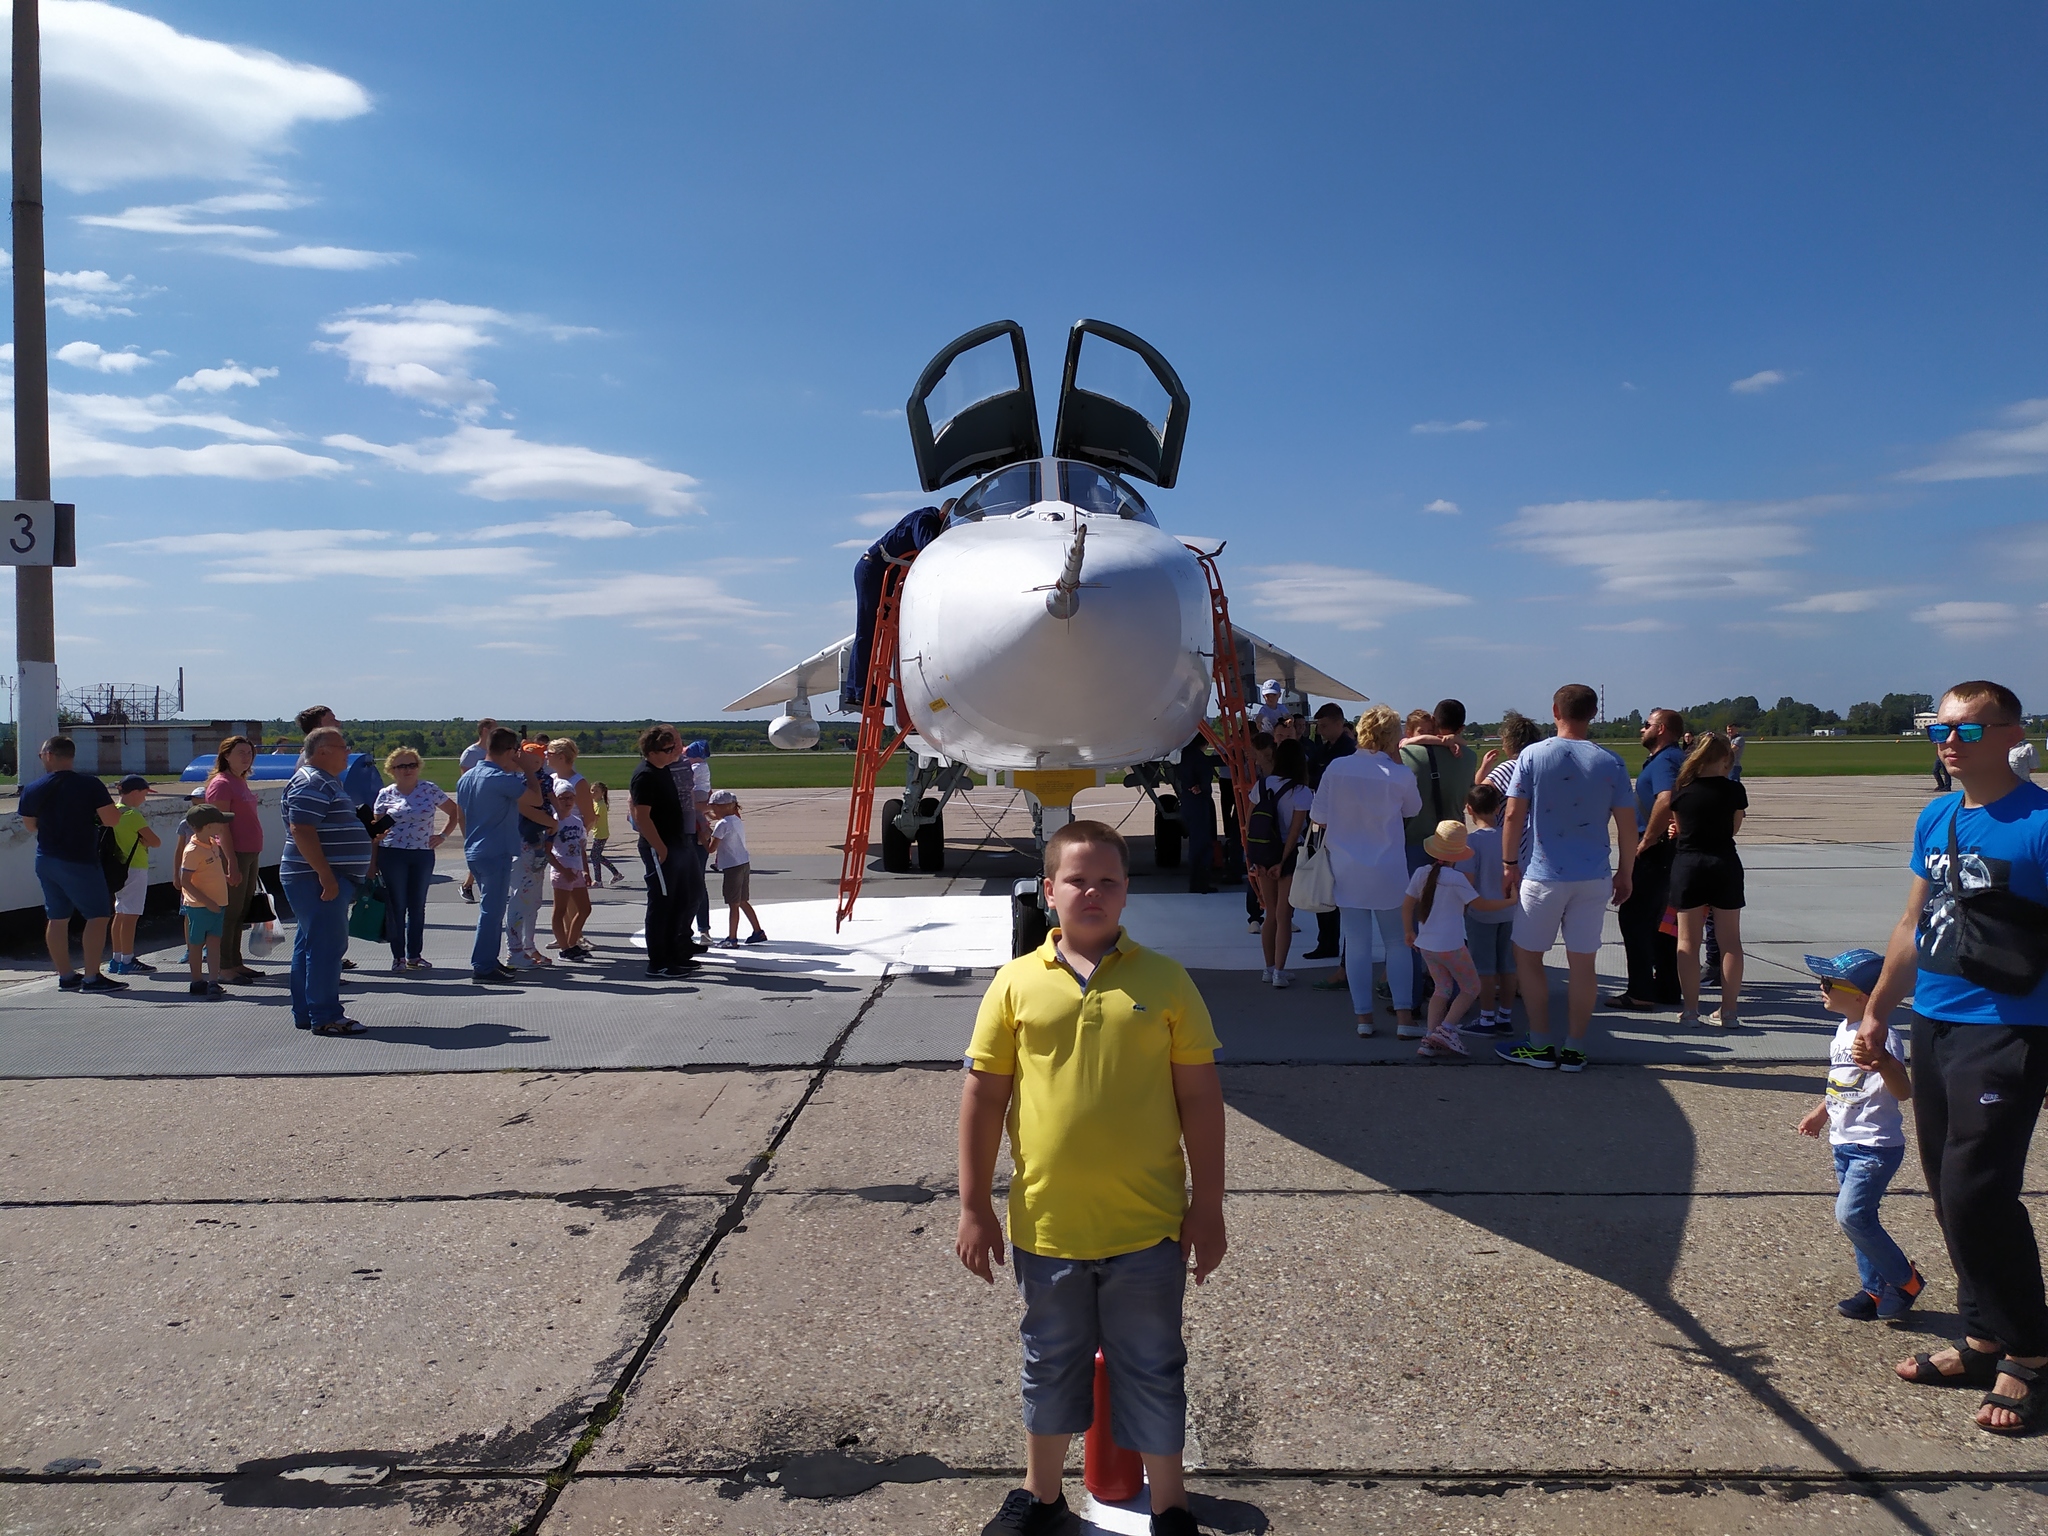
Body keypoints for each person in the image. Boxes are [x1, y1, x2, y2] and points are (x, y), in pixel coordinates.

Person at [956, 819, 1225, 1536]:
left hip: (1148, 1226)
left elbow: (1200, 1097)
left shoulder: (1165, 980)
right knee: (1049, 1365)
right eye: (1077, 879)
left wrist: (1210, 1205)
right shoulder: (1015, 985)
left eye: (1108, 880)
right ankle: (1042, 1496)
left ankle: (1170, 1507)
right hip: (1050, 1225)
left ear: (1127, 892)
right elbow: (984, 1098)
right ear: (1049, 892)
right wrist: (975, 1206)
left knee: (1154, 1364)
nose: (1092, 892)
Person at [1857, 679, 2048, 1434]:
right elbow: (1910, 924)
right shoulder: (1936, 815)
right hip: (1935, 1020)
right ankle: (1980, 1336)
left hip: (2012, 1027)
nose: (1947, 742)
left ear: (2011, 733)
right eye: (1940, 730)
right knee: (1945, 1189)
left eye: (1967, 730)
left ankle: (2030, 1355)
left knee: (1978, 1190)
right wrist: (1877, 1011)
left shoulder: (2039, 823)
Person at [1498, 684, 1637, 1073]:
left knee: (1528, 958)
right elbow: (1628, 828)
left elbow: (1512, 815)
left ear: (1555, 709)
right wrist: (1625, 871)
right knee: (1583, 964)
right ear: (1593, 714)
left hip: (1543, 875)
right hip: (1593, 877)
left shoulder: (1533, 755)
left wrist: (1509, 863)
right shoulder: (1611, 762)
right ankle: (1575, 1047)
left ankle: (1540, 1042)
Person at [1796, 947, 1923, 1321]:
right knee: (1861, 1220)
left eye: (1829, 982)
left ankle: (1905, 1280)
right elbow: (1842, 1083)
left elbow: (1903, 1090)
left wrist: (1883, 1060)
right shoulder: (1841, 1032)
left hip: (1875, 1145)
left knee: (1851, 1216)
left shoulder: (1884, 1035)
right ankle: (1876, 1290)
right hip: (1844, 1141)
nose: (1820, 987)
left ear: (1862, 997)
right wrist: (1821, 1113)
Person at [1310, 704, 1422, 1038]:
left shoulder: (1337, 767)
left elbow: (1319, 816)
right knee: (1398, 943)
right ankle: (1404, 1019)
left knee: (1356, 944)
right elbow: (1413, 809)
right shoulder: (1400, 774)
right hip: (1388, 868)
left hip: (1346, 867)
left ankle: (1364, 1019)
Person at [1647, 731, 1748, 1027]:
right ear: (1725, 759)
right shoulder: (1734, 790)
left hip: (1689, 864)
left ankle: (1690, 1010)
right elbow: (1733, 829)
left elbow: (1677, 827)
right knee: (1730, 941)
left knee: (1687, 942)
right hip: (1724, 863)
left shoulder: (1683, 790)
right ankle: (1728, 1011)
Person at [281, 727, 373, 1035]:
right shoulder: (313, 781)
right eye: (342, 746)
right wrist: (325, 874)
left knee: (310, 944)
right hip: (316, 878)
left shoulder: (325, 781)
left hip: (320, 876)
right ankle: (326, 1015)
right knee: (326, 947)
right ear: (322, 751)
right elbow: (302, 829)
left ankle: (308, 1012)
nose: (348, 751)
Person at [19, 734, 125, 991]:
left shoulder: (33, 788)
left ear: (49, 755)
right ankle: (91, 977)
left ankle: (66, 976)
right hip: (79, 860)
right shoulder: (89, 785)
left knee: (57, 917)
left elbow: (30, 826)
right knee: (98, 916)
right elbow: (112, 820)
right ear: (70, 756)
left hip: (46, 858)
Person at [1403, 819, 1516, 1057]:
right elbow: (1481, 905)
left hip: (1427, 946)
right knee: (1471, 987)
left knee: (1441, 989)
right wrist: (1511, 901)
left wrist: (1408, 931)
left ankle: (1429, 1040)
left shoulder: (1422, 873)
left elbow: (1407, 904)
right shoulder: (1456, 879)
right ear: (1459, 852)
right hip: (1452, 947)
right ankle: (1445, 1029)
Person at [1609, 708, 1687, 1013]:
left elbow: (1666, 798)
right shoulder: (1669, 758)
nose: (1642, 729)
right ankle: (1667, 987)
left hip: (1655, 852)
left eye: (1647, 724)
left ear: (1662, 728)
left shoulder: (1666, 760)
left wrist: (1648, 839)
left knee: (1635, 918)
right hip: (1668, 851)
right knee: (1660, 922)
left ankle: (1640, 991)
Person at [1400, 699, 1477, 1002]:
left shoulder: (1408, 753)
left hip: (1415, 842)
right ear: (1461, 726)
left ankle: (1412, 994)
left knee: (1413, 924)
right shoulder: (1468, 756)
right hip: (1452, 845)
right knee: (1451, 921)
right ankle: (1453, 991)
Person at [457, 726, 545, 984]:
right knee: (492, 911)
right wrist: (527, 768)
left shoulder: (467, 777)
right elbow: (536, 799)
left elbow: (463, 814)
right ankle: (483, 965)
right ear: (509, 750)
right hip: (496, 850)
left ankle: (488, 959)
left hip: (476, 849)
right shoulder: (500, 779)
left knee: (491, 909)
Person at [372, 748, 460, 972]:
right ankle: (398, 956)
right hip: (393, 853)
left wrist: (442, 835)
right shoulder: (386, 794)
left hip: (421, 853)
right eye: (402, 766)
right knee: (397, 905)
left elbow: (455, 812)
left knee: (417, 905)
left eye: (411, 765)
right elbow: (375, 831)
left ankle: (414, 955)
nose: (407, 770)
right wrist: (372, 863)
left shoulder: (429, 790)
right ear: (392, 770)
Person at [631, 727, 702, 978]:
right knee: (661, 904)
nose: (673, 752)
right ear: (652, 752)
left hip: (675, 843)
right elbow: (641, 816)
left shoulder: (663, 771)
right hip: (659, 848)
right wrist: (659, 848)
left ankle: (674, 954)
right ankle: (658, 961)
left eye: (674, 748)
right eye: (667, 750)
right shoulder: (646, 775)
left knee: (679, 901)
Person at [1249, 738, 1313, 988]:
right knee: (1284, 915)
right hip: (1288, 855)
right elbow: (1297, 829)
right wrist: (1283, 861)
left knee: (1269, 914)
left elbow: (1250, 822)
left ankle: (1268, 967)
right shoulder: (1301, 792)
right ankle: (1280, 971)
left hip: (1263, 853)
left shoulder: (1262, 785)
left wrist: (1255, 858)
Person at [202, 737, 266, 981]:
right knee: (229, 912)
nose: (246, 757)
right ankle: (224, 965)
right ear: (226, 755)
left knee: (241, 911)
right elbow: (221, 827)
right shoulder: (222, 784)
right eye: (240, 752)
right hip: (234, 853)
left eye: (249, 752)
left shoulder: (240, 781)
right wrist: (230, 861)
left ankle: (235, 960)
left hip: (250, 851)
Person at [1460, 782, 1517, 1035]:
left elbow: (1467, 882)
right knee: (1507, 965)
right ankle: (1505, 1015)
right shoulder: (1509, 837)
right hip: (1510, 911)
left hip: (1481, 913)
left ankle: (1486, 1018)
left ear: (1469, 809)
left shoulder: (1471, 842)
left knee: (1484, 968)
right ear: (1497, 807)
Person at [1301, 703, 1357, 960]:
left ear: (1338, 723)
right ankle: (1327, 942)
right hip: (1324, 827)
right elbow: (1311, 778)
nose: (1321, 730)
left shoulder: (1350, 752)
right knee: (1323, 885)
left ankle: (1346, 948)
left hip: (1344, 827)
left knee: (1346, 892)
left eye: (1324, 725)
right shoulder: (1323, 751)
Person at [504, 740, 558, 969]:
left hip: (536, 842)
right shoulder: (513, 781)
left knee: (533, 900)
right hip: (519, 844)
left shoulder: (539, 779)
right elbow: (525, 806)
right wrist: (550, 822)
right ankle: (514, 950)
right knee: (520, 897)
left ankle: (528, 945)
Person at [105, 775, 161, 978]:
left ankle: (117, 957)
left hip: (118, 868)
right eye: (144, 794)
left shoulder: (111, 813)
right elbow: (156, 841)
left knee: (120, 913)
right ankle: (128, 959)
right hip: (135, 867)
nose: (145, 799)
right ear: (135, 792)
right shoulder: (132, 815)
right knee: (131, 916)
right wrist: (145, 842)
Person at [179, 804, 234, 999]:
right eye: (220, 823)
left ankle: (213, 981)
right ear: (209, 826)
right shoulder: (192, 850)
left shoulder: (212, 843)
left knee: (214, 941)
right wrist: (207, 901)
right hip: (200, 906)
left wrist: (223, 878)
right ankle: (197, 980)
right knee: (196, 943)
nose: (223, 826)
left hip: (218, 902)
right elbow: (185, 881)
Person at [708, 789, 766, 947]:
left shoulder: (722, 825)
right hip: (743, 862)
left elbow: (711, 848)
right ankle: (758, 931)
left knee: (733, 903)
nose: (713, 810)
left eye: (714, 807)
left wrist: (703, 834)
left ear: (722, 807)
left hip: (731, 866)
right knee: (743, 900)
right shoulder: (736, 819)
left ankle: (732, 938)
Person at [1170, 734, 1218, 894]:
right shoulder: (1199, 758)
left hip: (1187, 801)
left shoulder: (1183, 756)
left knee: (1196, 843)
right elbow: (1205, 778)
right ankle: (1200, 883)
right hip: (1198, 803)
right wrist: (1202, 787)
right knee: (1201, 844)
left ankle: (1196, 881)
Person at [548, 789, 592, 959]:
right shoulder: (554, 821)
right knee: (560, 910)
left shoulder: (577, 821)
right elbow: (548, 852)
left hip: (576, 871)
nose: (567, 801)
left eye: (570, 798)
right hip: (562, 871)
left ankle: (572, 942)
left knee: (585, 908)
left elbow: (581, 848)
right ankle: (564, 948)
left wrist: (586, 871)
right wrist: (563, 870)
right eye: (562, 798)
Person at [457, 718, 498, 903]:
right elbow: (465, 783)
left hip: (494, 806)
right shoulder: (471, 754)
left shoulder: (495, 752)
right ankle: (470, 884)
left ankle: (469, 884)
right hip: (475, 807)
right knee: (480, 848)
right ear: (484, 730)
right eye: (493, 729)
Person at [682, 740, 715, 943]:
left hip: (692, 832)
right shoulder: (701, 767)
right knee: (696, 882)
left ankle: (700, 927)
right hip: (692, 830)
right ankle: (701, 927)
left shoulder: (695, 768)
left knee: (694, 882)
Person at [588, 780, 627, 886]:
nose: (593, 793)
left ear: (602, 793)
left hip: (601, 834)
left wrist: (585, 829)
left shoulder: (601, 805)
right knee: (597, 856)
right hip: (598, 833)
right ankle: (616, 874)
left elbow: (594, 819)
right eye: (592, 790)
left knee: (594, 856)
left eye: (596, 791)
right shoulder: (595, 803)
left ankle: (598, 880)